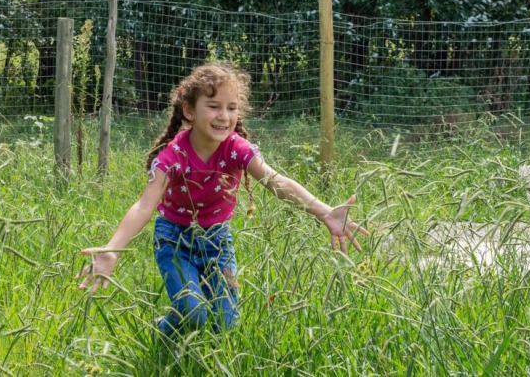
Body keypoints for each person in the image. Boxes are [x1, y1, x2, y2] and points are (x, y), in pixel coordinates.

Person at [77, 62, 368, 336]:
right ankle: (164, 330)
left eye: (232, 108)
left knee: (226, 323)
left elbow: (275, 180)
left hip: (218, 241)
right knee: (194, 313)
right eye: (214, 106)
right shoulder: (173, 156)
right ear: (189, 110)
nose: (224, 116)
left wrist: (324, 212)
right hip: (175, 241)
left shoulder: (236, 149)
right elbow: (144, 205)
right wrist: (112, 248)